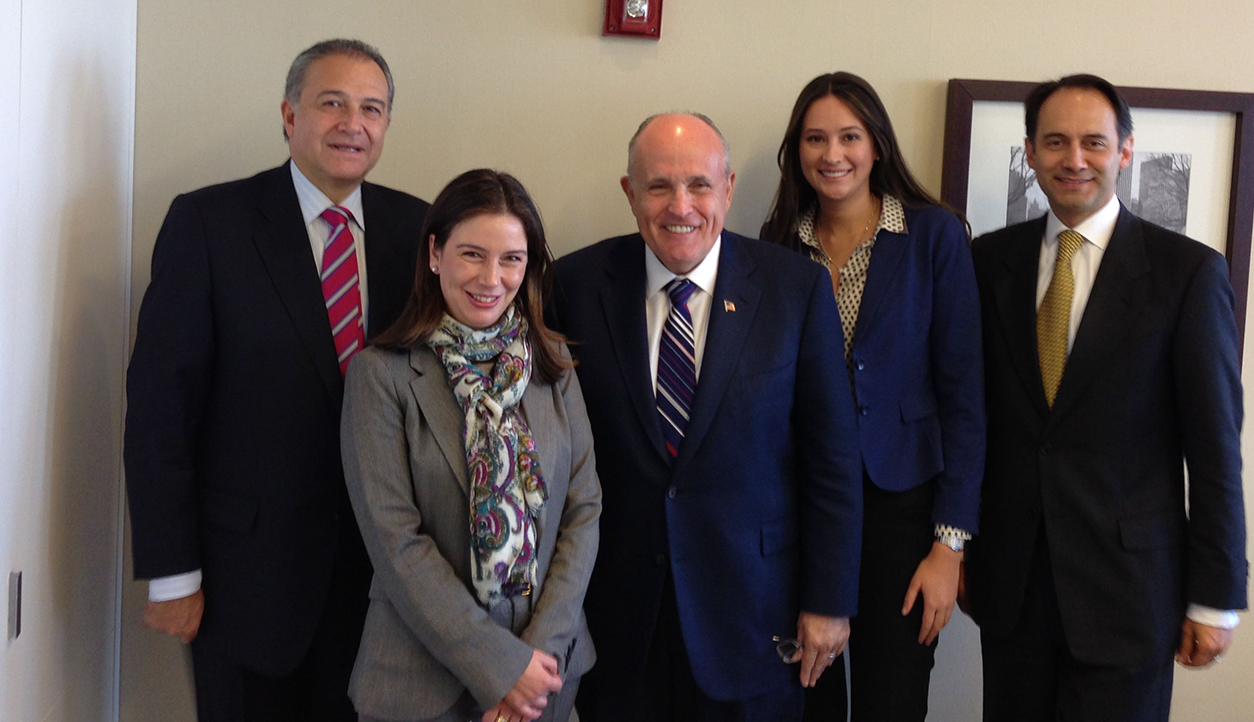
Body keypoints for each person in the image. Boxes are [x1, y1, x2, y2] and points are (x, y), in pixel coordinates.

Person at [123, 38, 429, 721]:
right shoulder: (209, 224)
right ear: (290, 116)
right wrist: (173, 573)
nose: (354, 123)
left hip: (383, 587)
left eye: (372, 108)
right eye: (332, 103)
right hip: (246, 584)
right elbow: (159, 410)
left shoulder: (417, 231)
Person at [550, 112, 863, 721]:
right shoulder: (575, 284)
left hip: (755, 615)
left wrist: (829, 600)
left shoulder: (794, 289)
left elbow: (832, 459)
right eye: (659, 186)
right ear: (630, 192)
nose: (680, 206)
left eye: (698, 184)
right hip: (620, 619)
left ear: (728, 187)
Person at [966, 74, 1248, 721]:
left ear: (1124, 151)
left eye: (1093, 142)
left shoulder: (1188, 274)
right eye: (1055, 142)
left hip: (1130, 596)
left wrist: (1215, 598)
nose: (1074, 159)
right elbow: (972, 421)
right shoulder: (987, 263)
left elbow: (1214, 451)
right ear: (1031, 151)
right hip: (1011, 592)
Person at [759, 72, 985, 722]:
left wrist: (949, 547)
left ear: (877, 144)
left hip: (904, 513)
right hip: (801, 510)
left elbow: (964, 399)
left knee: (894, 701)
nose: (833, 154)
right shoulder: (776, 245)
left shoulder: (934, 238)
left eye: (849, 136)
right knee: (807, 696)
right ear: (796, 151)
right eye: (816, 139)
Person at [339, 169, 601, 722]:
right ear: (435, 254)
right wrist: (501, 668)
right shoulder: (380, 376)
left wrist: (536, 665)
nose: (492, 277)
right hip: (420, 687)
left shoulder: (553, 368)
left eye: (511, 258)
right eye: (472, 254)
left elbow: (583, 512)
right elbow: (396, 544)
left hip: (547, 686)